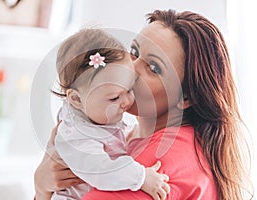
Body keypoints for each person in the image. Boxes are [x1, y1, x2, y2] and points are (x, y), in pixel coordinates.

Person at [34, 9, 253, 200]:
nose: (130, 68)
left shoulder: (159, 161)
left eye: (154, 68)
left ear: (185, 98)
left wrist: (41, 191)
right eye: (134, 52)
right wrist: (42, 185)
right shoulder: (124, 137)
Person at [49, 28, 170, 200]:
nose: (127, 101)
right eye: (114, 98)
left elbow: (110, 138)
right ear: (76, 99)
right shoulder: (76, 136)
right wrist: (141, 177)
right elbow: (101, 169)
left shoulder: (96, 114)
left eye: (129, 89)